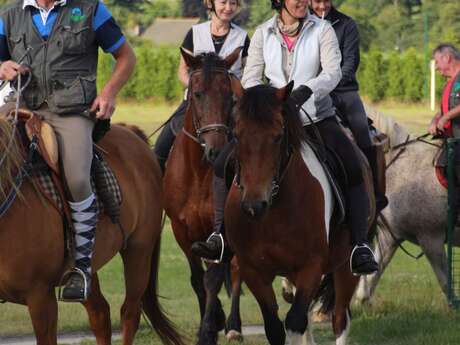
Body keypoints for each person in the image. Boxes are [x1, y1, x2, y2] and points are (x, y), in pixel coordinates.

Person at [192, 0, 379, 276]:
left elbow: (333, 72)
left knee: (352, 164)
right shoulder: (261, 33)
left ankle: (360, 246)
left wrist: (305, 91)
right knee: (221, 164)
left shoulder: (323, 30)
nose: (303, 1)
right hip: (271, 121)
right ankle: (220, 237)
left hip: (315, 117)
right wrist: (267, 104)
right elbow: (253, 77)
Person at [0, 0, 136, 301]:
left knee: (76, 177)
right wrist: (1, 67)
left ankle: (82, 267)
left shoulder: (90, 9)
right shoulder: (9, 15)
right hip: (20, 106)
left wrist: (108, 92)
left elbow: (126, 56)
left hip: (70, 111)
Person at [154, 0, 250, 174]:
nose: (228, 8)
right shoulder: (195, 32)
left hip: (229, 105)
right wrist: (196, 89)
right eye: (223, 2)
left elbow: (248, 73)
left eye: (233, 3)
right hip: (197, 102)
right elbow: (182, 70)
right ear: (210, 3)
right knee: (160, 147)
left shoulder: (243, 37)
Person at [309, 0, 387, 211]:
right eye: (317, 1)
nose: (322, 6)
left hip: (344, 91)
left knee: (362, 131)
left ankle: (376, 192)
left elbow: (350, 63)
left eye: (326, 1)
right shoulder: (303, 23)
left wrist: (328, 83)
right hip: (311, 92)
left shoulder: (347, 24)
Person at [428, 44, 460, 184]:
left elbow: (447, 114)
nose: (435, 67)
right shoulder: (450, 83)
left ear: (447, 58)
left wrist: (446, 117)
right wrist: (435, 120)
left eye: (437, 61)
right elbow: (443, 110)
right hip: (452, 141)